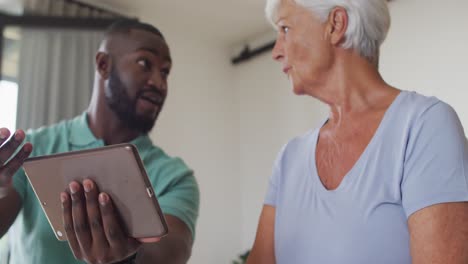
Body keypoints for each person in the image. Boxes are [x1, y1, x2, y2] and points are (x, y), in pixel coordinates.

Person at [247, 0, 468, 263]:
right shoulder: (288, 158)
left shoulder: (423, 125)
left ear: (336, 25)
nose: (276, 51)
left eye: (284, 29)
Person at [0, 20, 199, 264]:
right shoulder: (31, 149)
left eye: (165, 72)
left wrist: (129, 254)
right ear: (104, 65)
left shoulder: (175, 176)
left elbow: (171, 253)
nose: (159, 83)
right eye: (145, 63)